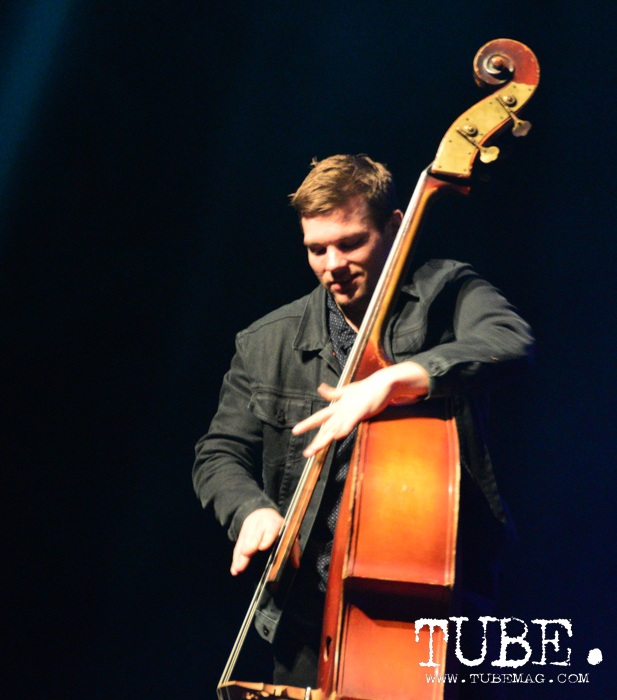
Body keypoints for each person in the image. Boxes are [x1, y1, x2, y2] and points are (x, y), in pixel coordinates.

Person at [193, 154, 533, 688]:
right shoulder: (265, 342)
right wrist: (250, 510)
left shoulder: (449, 294)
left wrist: (396, 380)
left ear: (394, 227)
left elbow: (510, 341)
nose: (332, 264)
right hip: (307, 624)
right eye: (316, 249)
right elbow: (218, 454)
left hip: (437, 614)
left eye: (350, 243)